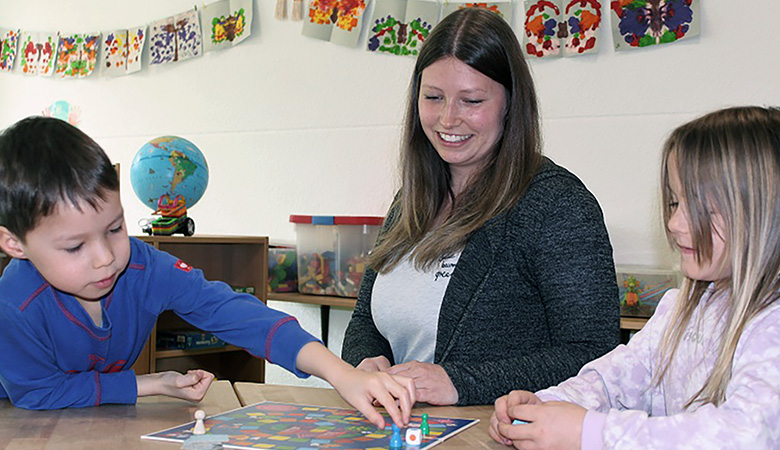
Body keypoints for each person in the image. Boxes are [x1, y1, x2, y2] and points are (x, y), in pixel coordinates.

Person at [0, 117, 415, 429]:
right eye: (75, 247)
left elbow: (236, 313)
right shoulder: (14, 302)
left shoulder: (145, 268)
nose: (105, 258)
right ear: (14, 243)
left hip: (92, 418)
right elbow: (39, 393)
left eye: (115, 229)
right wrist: (149, 384)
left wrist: (340, 373)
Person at [341, 7, 619, 407]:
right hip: (407, 428)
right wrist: (364, 362)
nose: (448, 119)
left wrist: (460, 382)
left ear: (510, 103)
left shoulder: (557, 204)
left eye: (471, 101)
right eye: (433, 97)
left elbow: (593, 353)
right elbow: (367, 320)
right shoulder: (410, 199)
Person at [489, 106, 780, 449]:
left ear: (763, 214)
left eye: (703, 209)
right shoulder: (680, 308)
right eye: (674, 203)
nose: (675, 224)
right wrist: (546, 405)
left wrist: (593, 432)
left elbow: (748, 435)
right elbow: (615, 380)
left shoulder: (771, 324)